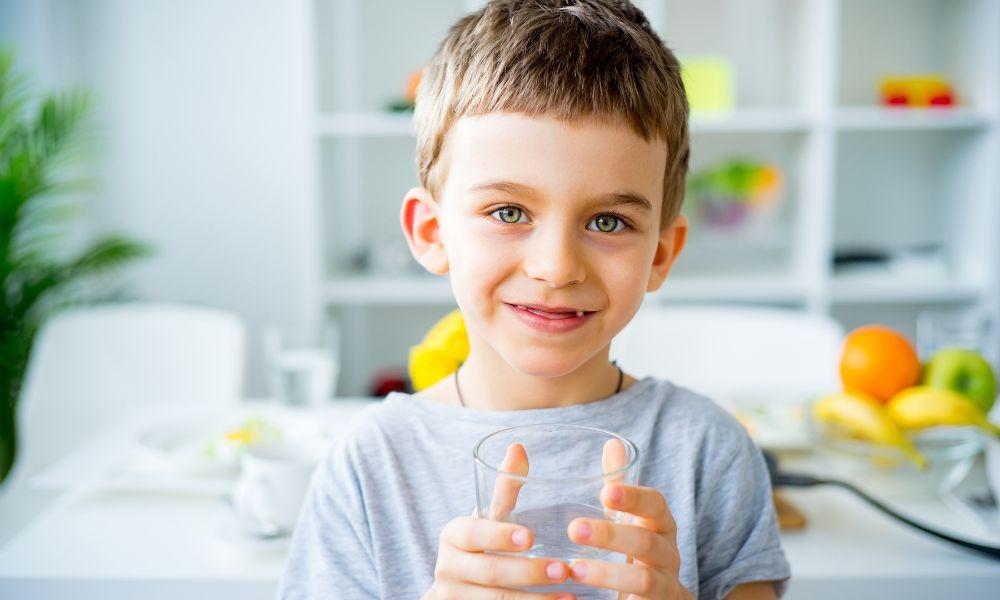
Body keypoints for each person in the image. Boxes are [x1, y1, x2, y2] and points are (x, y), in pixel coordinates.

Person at [278, 1, 791, 598]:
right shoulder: (370, 464)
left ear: (659, 254)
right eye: (508, 212)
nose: (556, 267)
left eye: (607, 222)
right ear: (431, 233)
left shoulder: (709, 452)